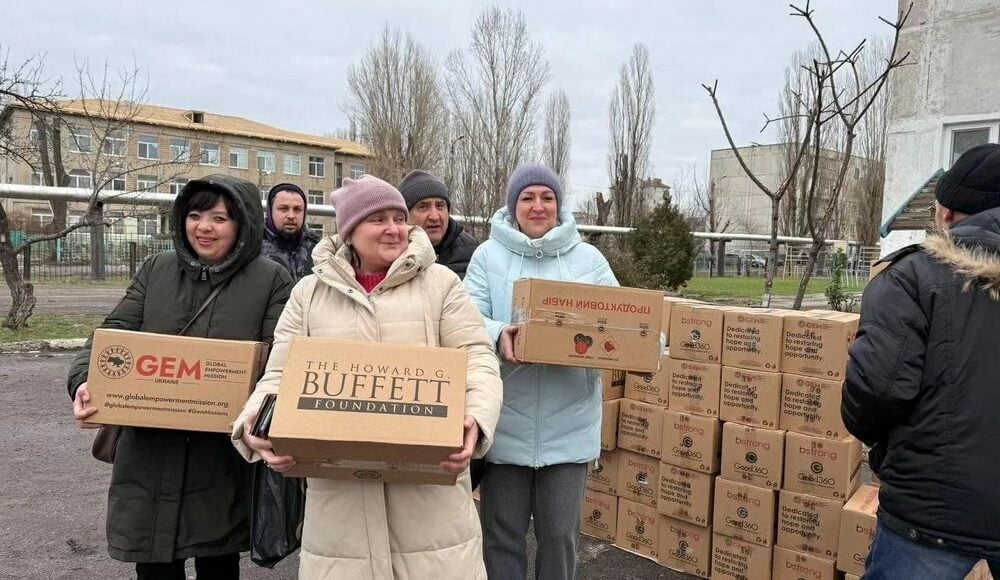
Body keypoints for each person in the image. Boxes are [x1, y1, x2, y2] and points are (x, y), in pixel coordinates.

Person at [231, 175, 503, 579]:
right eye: (378, 219)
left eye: (398, 217)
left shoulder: (441, 286)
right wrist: (256, 422)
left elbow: (477, 356)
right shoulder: (308, 294)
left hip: (431, 516)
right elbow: (280, 375)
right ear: (349, 231)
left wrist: (476, 418)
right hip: (340, 516)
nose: (394, 228)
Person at [68, 174, 293, 580]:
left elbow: (281, 358)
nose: (204, 227)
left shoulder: (270, 279)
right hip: (150, 453)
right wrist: (86, 380)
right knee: (153, 563)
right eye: (195, 215)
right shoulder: (157, 269)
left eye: (220, 218)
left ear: (243, 224)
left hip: (219, 457)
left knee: (218, 561)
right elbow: (112, 336)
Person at [843, 144, 1000, 579]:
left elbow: (875, 391)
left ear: (946, 214)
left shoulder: (915, 277)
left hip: (932, 515)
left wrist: (885, 449)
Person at [464, 164, 618, 580]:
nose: (537, 206)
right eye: (527, 198)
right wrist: (499, 333)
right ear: (513, 206)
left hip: (568, 425)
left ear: (558, 204)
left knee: (560, 538)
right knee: (501, 536)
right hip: (505, 421)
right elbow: (465, 317)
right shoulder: (487, 256)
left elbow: (624, 320)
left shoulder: (588, 260)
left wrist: (644, 345)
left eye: (546, 198)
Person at [398, 170, 479, 278]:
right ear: (404, 215)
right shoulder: (393, 251)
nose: (434, 216)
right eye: (423, 207)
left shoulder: (472, 249)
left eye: (440, 206)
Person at [261, 182, 321, 280]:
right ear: (270, 211)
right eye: (283, 209)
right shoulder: (252, 247)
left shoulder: (318, 248)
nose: (291, 216)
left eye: (297, 209)